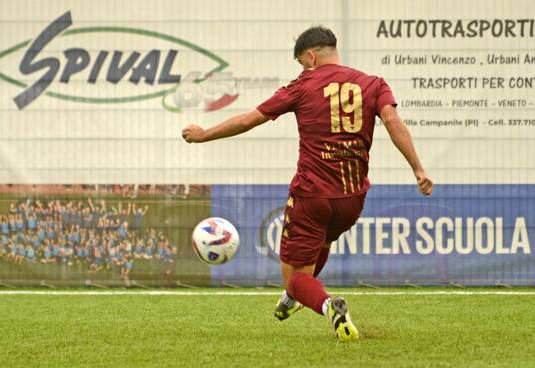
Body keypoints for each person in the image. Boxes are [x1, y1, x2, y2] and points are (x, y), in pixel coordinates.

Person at [182, 26, 433, 341]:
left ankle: (327, 305)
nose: (303, 68)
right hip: (351, 199)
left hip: (311, 196)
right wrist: (418, 169)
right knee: (322, 244)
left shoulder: (304, 84)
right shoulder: (373, 84)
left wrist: (204, 134)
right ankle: (293, 299)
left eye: (303, 62)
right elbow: (393, 121)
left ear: (311, 56)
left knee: (293, 278)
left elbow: (249, 119)